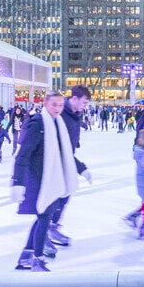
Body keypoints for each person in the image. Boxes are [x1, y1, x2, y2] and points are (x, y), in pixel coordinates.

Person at [11, 91, 81, 272]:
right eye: (54, 105)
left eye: (60, 105)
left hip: (52, 178)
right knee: (44, 218)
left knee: (44, 217)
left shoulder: (57, 124)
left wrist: (81, 168)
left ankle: (27, 256)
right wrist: (17, 181)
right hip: (38, 179)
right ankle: (37, 260)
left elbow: (63, 153)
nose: (57, 108)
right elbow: (23, 155)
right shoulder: (38, 124)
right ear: (45, 104)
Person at [45, 85, 93, 252]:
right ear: (74, 98)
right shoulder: (60, 114)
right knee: (52, 199)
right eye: (84, 102)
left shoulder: (75, 114)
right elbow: (56, 144)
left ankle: (53, 227)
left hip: (66, 160)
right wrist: (80, 167)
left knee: (65, 195)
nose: (85, 106)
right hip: (53, 162)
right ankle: (42, 237)